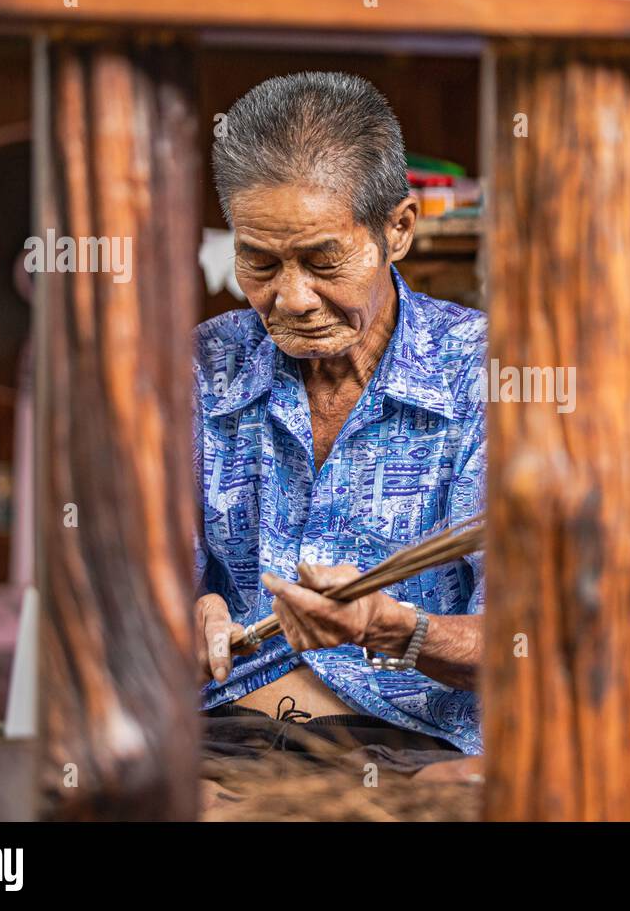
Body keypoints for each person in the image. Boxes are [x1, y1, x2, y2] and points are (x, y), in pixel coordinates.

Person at [193, 72, 486, 766]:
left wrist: (393, 630)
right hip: (218, 741)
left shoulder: (484, 377)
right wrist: (189, 613)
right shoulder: (201, 368)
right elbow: (128, 593)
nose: (290, 298)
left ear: (399, 229)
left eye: (324, 261)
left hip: (419, 754)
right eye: (258, 263)